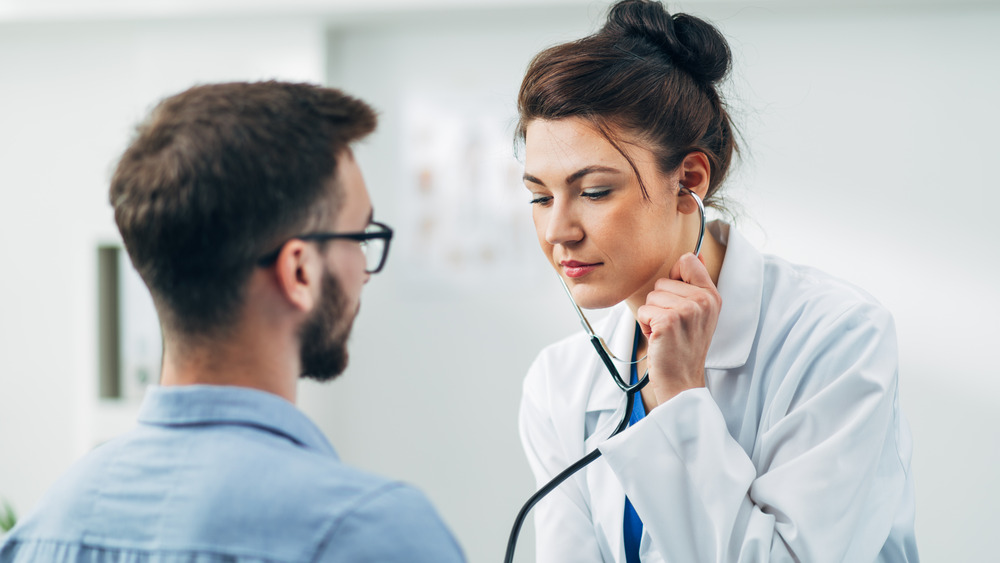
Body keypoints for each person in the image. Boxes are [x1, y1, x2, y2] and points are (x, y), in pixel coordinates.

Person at [513, 1, 918, 561]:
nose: (557, 229)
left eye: (595, 191)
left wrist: (680, 396)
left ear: (689, 180)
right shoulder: (560, 380)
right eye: (539, 196)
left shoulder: (836, 339)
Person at [0, 81, 465, 562]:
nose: (363, 272)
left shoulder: (44, 530)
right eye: (359, 235)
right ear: (300, 271)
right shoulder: (371, 531)